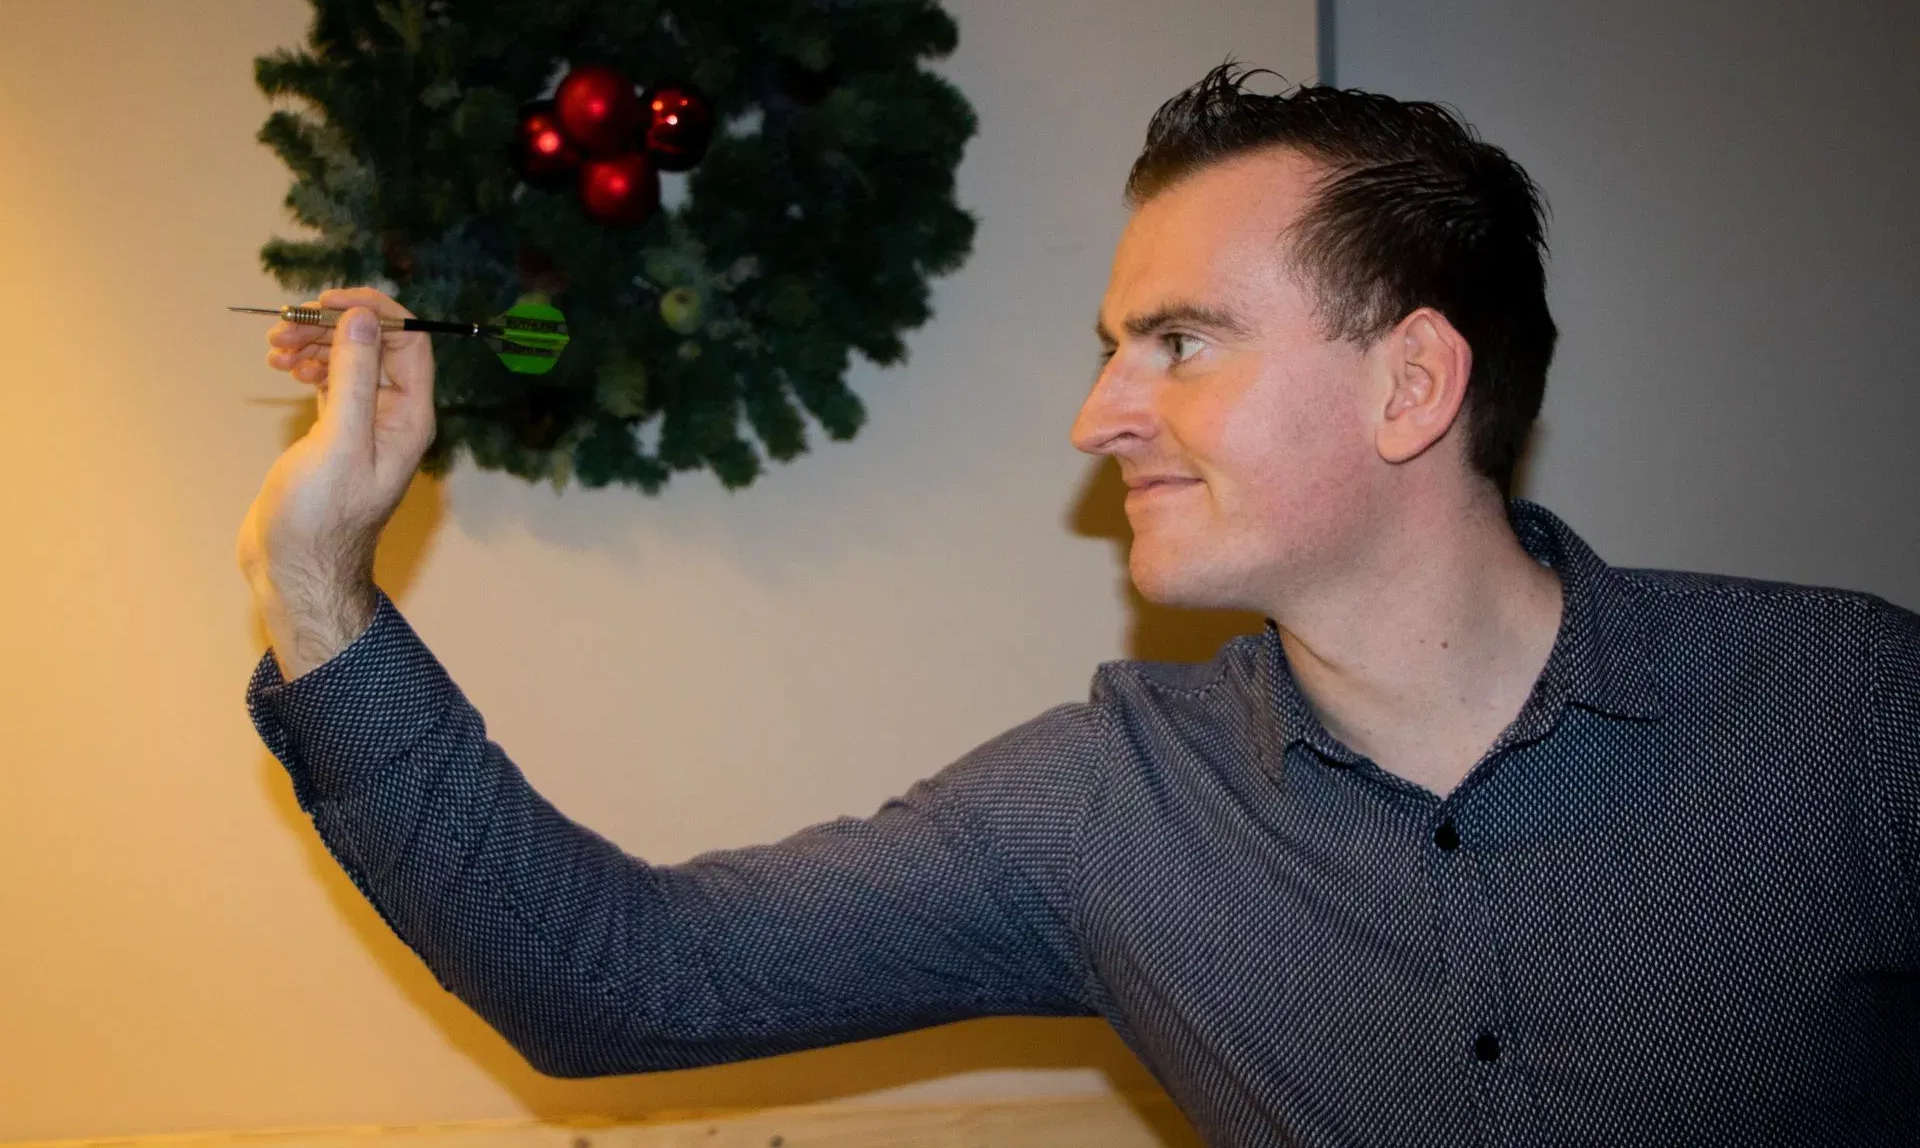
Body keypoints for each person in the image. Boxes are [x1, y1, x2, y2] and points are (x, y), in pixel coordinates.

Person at [239, 65, 1920, 1147]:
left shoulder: (1852, 711)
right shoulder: (1112, 807)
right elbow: (619, 978)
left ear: (1411, 384)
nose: (1097, 416)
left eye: (1179, 343)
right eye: (1113, 349)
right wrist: (314, 584)